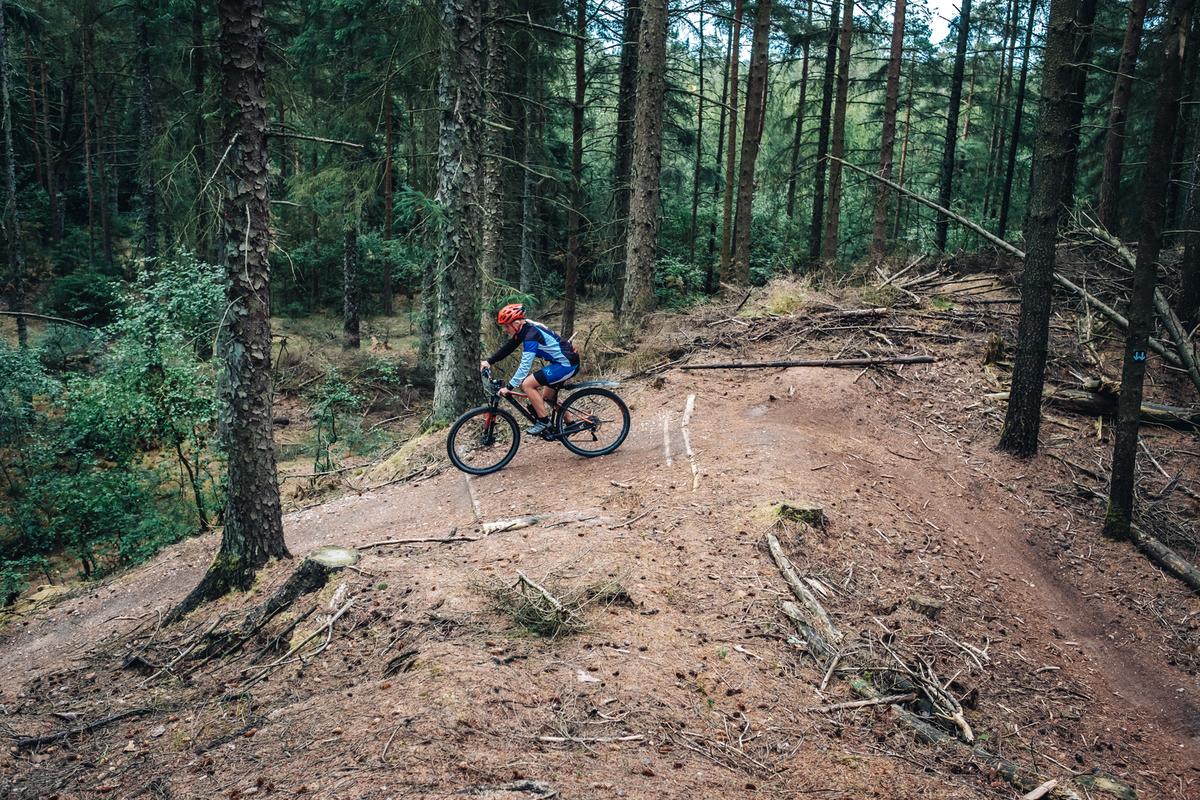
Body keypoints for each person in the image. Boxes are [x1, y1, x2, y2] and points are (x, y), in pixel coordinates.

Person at [480, 303, 580, 436]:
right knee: (548, 397)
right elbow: (510, 347)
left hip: (567, 364)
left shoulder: (531, 335)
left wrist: (509, 387)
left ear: (516, 323)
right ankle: (571, 424)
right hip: (562, 361)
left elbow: (525, 366)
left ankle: (544, 421)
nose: (505, 329)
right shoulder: (524, 327)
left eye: (506, 326)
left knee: (527, 384)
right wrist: (489, 361)